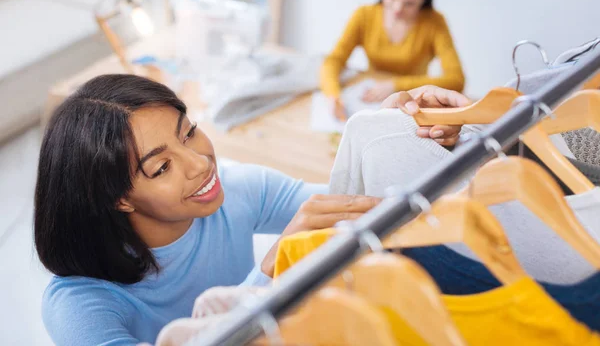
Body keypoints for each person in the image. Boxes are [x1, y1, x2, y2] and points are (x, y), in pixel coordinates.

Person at [35, 74, 466, 345]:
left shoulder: (237, 190)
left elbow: (351, 201)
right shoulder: (79, 304)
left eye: (189, 133)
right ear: (119, 197)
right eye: (163, 166)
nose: (200, 163)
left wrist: (388, 135)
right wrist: (272, 268)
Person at [321, 0, 466, 121]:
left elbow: (456, 79)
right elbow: (333, 60)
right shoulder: (364, 15)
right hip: (370, 100)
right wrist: (333, 95)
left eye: (409, 3)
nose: (397, 9)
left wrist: (396, 85)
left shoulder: (434, 22)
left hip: (412, 107)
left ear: (423, 1)